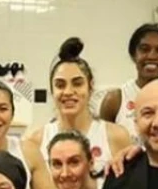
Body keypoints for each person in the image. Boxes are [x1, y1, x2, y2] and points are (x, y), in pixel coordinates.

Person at [27, 38, 133, 177]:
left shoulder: (116, 137)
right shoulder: (36, 141)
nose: (68, 92)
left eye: (77, 84)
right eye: (60, 85)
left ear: (90, 86)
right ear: (52, 90)